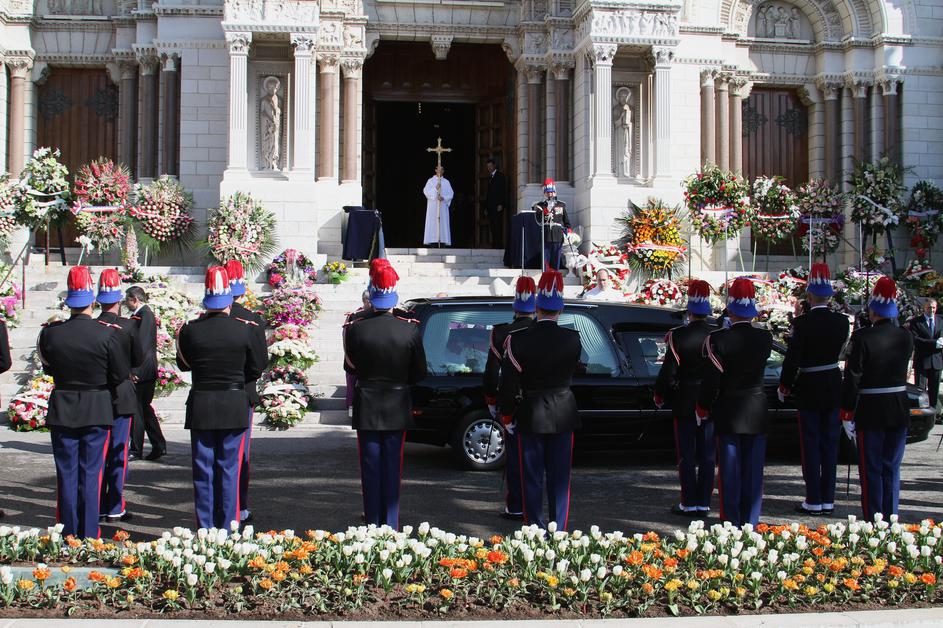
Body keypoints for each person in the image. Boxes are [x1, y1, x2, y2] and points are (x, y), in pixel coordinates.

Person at [38, 266, 130, 539]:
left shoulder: (50, 333)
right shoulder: (107, 333)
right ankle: (89, 533)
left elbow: (49, 367)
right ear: (92, 299)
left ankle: (68, 532)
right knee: (92, 474)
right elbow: (119, 375)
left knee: (66, 474)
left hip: (64, 406)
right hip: (97, 407)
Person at [176, 266, 267, 530]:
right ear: (229, 298)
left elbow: (184, 364)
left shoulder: (190, 329)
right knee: (229, 469)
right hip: (234, 401)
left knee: (203, 469)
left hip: (202, 402)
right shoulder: (246, 329)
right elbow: (256, 367)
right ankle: (228, 526)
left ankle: (205, 526)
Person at [343, 262, 427, 529]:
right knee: (393, 466)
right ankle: (390, 523)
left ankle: (372, 521)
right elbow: (420, 372)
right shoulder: (409, 328)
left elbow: (350, 367)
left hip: (367, 402)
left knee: (369, 466)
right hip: (397, 402)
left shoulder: (356, 327)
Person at [499, 270, 581, 530]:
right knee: (560, 478)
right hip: (563, 411)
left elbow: (508, 384)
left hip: (531, 412)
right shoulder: (573, 338)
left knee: (532, 477)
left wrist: (507, 414)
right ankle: (559, 529)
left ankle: (535, 527)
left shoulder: (517, 340)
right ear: (561, 309)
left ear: (536, 307)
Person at [696, 277, 772, 527]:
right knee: (753, 470)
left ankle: (731, 521)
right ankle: (750, 521)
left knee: (730, 471)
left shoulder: (718, 339)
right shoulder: (765, 337)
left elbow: (711, 379)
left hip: (729, 407)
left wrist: (703, 406)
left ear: (729, 309)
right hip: (756, 406)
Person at [778, 264, 850, 516]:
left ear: (809, 295)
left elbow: (793, 359)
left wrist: (785, 384)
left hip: (809, 386)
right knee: (830, 444)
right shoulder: (842, 322)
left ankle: (814, 498)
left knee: (810, 444)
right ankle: (827, 499)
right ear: (829, 296)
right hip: (832, 383)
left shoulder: (802, 323)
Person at [840, 277, 914, 521]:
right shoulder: (905, 336)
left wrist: (847, 411)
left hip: (871, 409)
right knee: (891, 467)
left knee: (871, 468)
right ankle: (891, 517)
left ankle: (874, 518)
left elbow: (853, 377)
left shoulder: (863, 337)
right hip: (898, 407)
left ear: (873, 309)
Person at [653, 279, 715, 518]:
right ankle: (704, 502)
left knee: (686, 455)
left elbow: (669, 371)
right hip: (710, 399)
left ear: (689, 310)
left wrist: (660, 394)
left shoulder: (678, 336)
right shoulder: (716, 334)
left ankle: (689, 501)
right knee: (708, 455)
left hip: (685, 399)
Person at [483, 275, 536, 521]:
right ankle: (534, 508)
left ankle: (516, 505)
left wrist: (492, 401)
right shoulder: (541, 332)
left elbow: (492, 373)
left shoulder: (501, 332)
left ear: (515, 305)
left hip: (513, 402)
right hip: (541, 403)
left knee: (515, 457)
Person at [96, 269, 143, 523]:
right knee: (118, 453)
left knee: (98, 455)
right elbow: (138, 359)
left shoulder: (94, 327)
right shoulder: (129, 326)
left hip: (98, 394)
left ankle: (98, 504)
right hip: (121, 394)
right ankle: (114, 505)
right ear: (119, 300)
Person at [225, 260, 268, 525]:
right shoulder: (251, 321)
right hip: (241, 391)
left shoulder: (198, 322)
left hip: (207, 396)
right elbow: (259, 362)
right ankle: (238, 507)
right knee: (239, 456)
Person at [126, 286, 166, 461]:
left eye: (127, 300)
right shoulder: (144, 315)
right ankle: (158, 444)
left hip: (142, 370)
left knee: (138, 410)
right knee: (144, 409)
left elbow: (141, 344)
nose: (126, 304)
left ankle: (136, 449)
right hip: (145, 369)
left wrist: (134, 369)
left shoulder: (145, 315)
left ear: (135, 299)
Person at [908, 298, 942, 415]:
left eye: (933, 308)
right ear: (924, 308)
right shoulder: (916, 322)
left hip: (936, 361)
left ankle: (933, 415)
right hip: (922, 361)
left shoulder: (941, 320)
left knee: (934, 392)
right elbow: (916, 340)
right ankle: (920, 416)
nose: (931, 310)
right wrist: (935, 343)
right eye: (929, 307)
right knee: (920, 391)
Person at [533, 179, 571, 271]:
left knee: (556, 261)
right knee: (546, 262)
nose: (550, 194)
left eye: (551, 192)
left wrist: (569, 232)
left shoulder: (561, 205)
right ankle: (546, 278)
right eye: (548, 192)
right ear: (544, 193)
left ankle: (555, 279)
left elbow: (566, 221)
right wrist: (543, 211)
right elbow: (538, 220)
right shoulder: (540, 205)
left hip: (558, 235)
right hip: (546, 236)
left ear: (555, 192)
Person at [423, 165, 454, 246]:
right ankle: (432, 242)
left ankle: (443, 241)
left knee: (443, 223)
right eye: (438, 169)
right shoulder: (430, 181)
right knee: (433, 223)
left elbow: (451, 194)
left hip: (442, 207)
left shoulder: (446, 182)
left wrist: (443, 198)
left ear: (443, 171)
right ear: (435, 170)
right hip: (433, 207)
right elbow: (426, 192)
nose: (440, 171)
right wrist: (435, 189)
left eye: (442, 169)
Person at [484, 158, 508, 246]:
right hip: (490, 207)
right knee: (492, 226)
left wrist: (501, 204)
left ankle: (499, 245)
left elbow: (503, 191)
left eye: (490, 166)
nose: (489, 168)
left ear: (494, 166)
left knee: (498, 226)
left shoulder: (500, 176)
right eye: (488, 167)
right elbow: (488, 194)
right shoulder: (490, 177)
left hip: (497, 206)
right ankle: (494, 244)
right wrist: (486, 208)